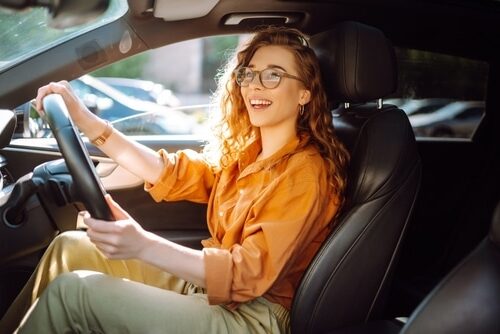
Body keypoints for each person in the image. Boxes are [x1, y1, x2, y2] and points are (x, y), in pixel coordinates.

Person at [1, 26, 349, 333]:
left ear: (305, 93)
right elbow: (170, 172)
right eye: (249, 73)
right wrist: (86, 121)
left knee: (73, 294)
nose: (254, 86)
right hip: (211, 293)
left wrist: (143, 244)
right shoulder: (248, 156)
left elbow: (246, 278)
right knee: (69, 247)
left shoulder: (305, 172)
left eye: (273, 75)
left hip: (251, 318)